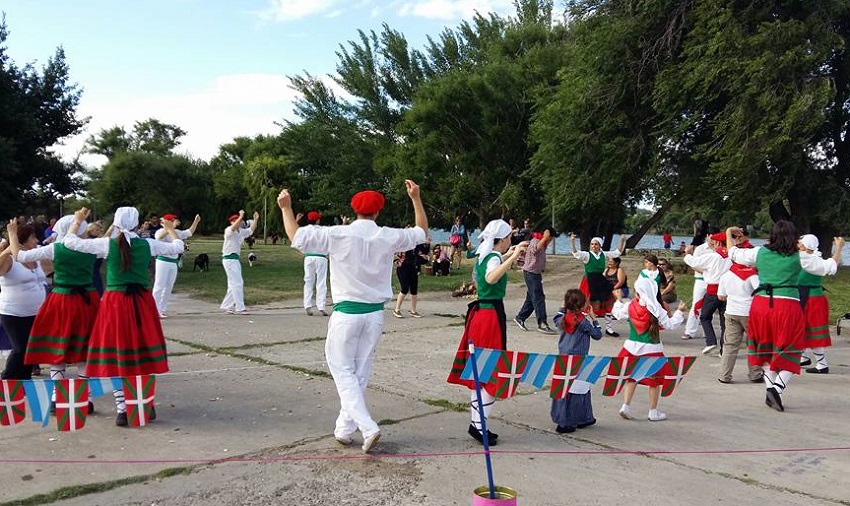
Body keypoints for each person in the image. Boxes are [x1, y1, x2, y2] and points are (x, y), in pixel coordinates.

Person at [279, 180, 427, 454]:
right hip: (374, 316)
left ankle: (367, 426)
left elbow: (296, 237)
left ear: (354, 210)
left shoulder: (339, 234)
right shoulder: (387, 235)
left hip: (347, 314)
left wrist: (286, 208)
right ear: (378, 212)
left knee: (342, 369)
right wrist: (416, 199)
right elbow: (421, 232)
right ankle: (344, 429)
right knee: (359, 372)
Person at [63, 207, 185, 426]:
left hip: (115, 304)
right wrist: (170, 230)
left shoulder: (106, 244)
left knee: (116, 355)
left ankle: (122, 408)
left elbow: (70, 242)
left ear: (117, 223)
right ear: (137, 224)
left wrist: (77, 221)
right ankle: (144, 403)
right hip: (140, 303)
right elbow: (178, 247)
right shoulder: (146, 244)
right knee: (142, 354)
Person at [727, 223, 842, 411]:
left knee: (765, 349)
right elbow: (830, 267)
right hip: (786, 305)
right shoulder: (801, 256)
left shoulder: (759, 253)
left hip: (760, 305)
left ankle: (770, 390)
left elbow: (733, 253)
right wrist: (839, 249)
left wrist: (727, 233)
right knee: (793, 348)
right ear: (794, 237)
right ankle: (777, 389)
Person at [447, 220, 528, 445]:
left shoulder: (486, 255)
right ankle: (479, 426)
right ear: (501, 239)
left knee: (479, 373)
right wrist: (512, 258)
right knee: (491, 371)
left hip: (481, 314)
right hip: (491, 315)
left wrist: (509, 253)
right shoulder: (492, 257)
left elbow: (492, 266)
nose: (512, 240)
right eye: (509, 237)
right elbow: (492, 277)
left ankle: (477, 425)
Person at [9, 215, 98, 410]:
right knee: (84, 349)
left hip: (63, 300)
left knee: (58, 347)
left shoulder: (56, 248)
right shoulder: (92, 247)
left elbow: (19, 256)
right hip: (87, 301)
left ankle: (57, 397)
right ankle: (86, 397)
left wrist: (12, 235)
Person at [612, 277, 687, 421]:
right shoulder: (657, 308)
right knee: (654, 382)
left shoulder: (630, 305)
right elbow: (670, 325)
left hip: (631, 347)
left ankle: (625, 406)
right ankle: (653, 412)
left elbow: (618, 313)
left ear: (636, 292)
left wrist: (618, 300)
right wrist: (679, 311)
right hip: (652, 349)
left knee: (631, 377)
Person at [550, 289, 602, 433]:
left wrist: (562, 307)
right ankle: (571, 420)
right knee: (579, 389)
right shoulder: (583, 322)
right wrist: (594, 319)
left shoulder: (562, 319)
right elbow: (597, 335)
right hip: (579, 359)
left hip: (563, 357)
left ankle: (568, 417)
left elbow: (557, 316)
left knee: (564, 389)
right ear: (583, 305)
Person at [0, 223, 48, 380]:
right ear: (22, 240)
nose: (36, 240)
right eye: (32, 237)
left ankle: (24, 382)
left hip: (36, 313)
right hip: (14, 313)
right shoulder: (10, 260)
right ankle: (7, 380)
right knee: (20, 348)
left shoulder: (35, 256)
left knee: (31, 349)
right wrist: (8, 249)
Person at [717, 250, 763, 384]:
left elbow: (721, 296)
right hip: (750, 314)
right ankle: (755, 373)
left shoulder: (726, 276)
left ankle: (724, 375)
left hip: (731, 312)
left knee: (730, 345)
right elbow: (760, 293)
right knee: (754, 344)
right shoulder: (753, 276)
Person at [684, 232, 731, 354]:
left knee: (705, 317)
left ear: (717, 243)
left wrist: (687, 253)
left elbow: (693, 262)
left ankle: (711, 341)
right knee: (723, 321)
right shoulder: (732, 256)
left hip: (713, 291)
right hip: (727, 292)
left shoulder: (713, 256)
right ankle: (723, 349)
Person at [571, 233, 626, 337]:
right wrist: (573, 242)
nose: (593, 246)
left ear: (600, 245)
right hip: (588, 281)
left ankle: (609, 329)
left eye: (596, 244)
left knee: (608, 303)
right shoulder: (587, 255)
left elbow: (617, 252)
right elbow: (575, 253)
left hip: (600, 280)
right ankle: (580, 327)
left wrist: (622, 241)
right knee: (584, 304)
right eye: (592, 244)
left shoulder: (603, 254)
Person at [797, 235, 834, 374]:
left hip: (812, 299)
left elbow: (832, 267)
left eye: (800, 243)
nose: (798, 245)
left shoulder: (808, 259)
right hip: (808, 296)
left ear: (806, 246)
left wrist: (840, 248)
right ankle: (803, 356)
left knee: (813, 330)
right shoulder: (815, 258)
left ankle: (822, 364)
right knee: (803, 327)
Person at [152, 213, 200, 318]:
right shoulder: (160, 231)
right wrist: (170, 227)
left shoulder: (176, 232)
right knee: (159, 286)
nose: (176, 222)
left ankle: (162, 309)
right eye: (173, 220)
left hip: (173, 262)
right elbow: (159, 237)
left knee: (168, 286)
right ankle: (154, 309)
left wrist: (196, 221)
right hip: (163, 260)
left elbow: (189, 232)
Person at [514, 227, 557, 333]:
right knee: (538, 298)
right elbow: (534, 249)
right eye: (551, 237)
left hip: (535, 273)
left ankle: (520, 317)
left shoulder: (542, 243)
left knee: (532, 298)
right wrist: (545, 237)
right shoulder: (536, 240)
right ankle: (542, 323)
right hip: (531, 273)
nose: (551, 240)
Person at [220, 210, 259, 315]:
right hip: (229, 259)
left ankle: (227, 306)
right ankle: (240, 307)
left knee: (233, 284)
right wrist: (241, 216)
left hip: (234, 259)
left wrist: (255, 219)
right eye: (238, 221)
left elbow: (250, 230)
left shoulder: (240, 231)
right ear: (232, 221)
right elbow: (233, 227)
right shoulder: (229, 230)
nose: (241, 222)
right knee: (237, 283)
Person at [301, 211, 329, 316]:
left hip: (309, 257)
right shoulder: (323, 231)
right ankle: (321, 306)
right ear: (318, 220)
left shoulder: (305, 231)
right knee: (321, 282)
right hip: (321, 257)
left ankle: (307, 305)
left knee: (308, 281)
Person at [393, 243, 429, 318]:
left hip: (413, 268)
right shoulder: (404, 244)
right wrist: (419, 257)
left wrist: (427, 245)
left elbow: (424, 253)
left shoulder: (418, 245)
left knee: (414, 289)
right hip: (402, 268)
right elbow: (398, 256)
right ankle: (397, 309)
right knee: (405, 288)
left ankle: (413, 311)